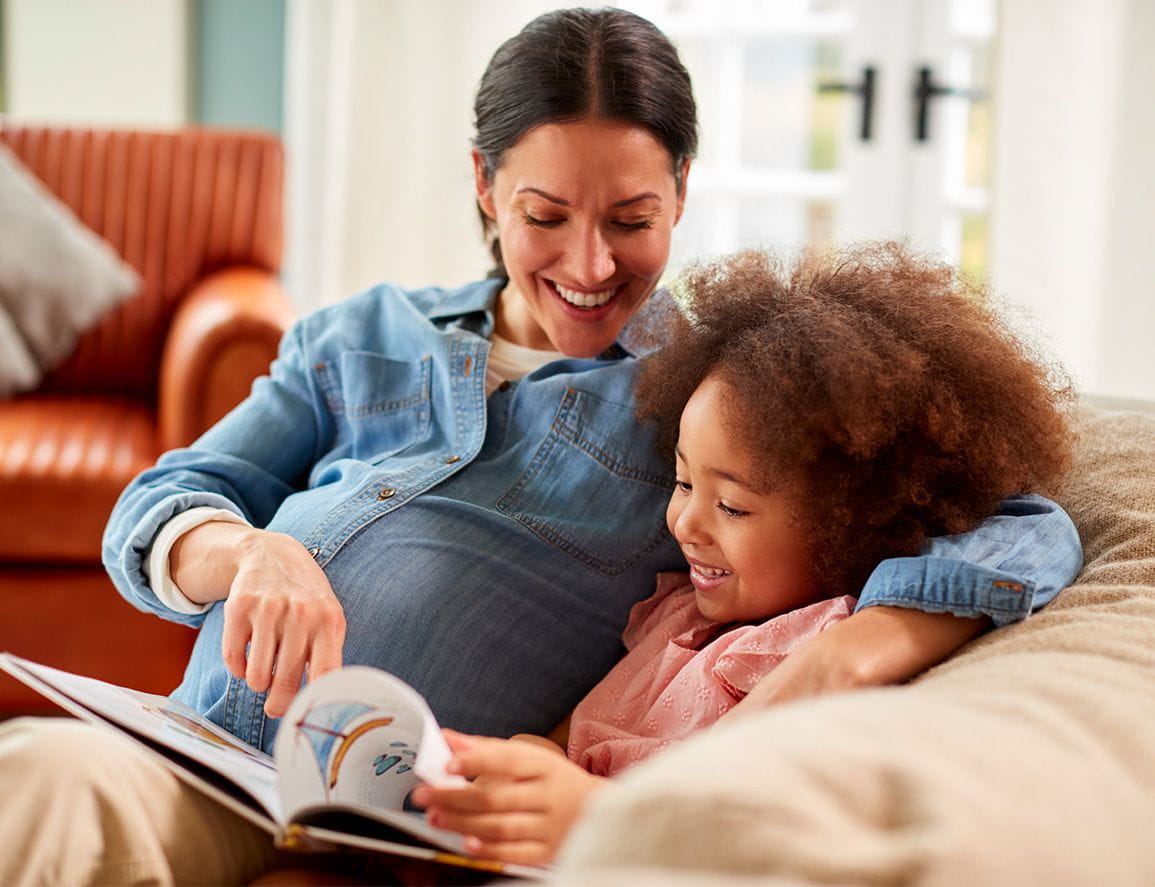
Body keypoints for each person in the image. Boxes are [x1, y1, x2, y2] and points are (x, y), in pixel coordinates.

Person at [0, 9, 1079, 886]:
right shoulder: (363, 335)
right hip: (197, 756)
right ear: (484, 184)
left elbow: (1019, 520)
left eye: (632, 219)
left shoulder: (712, 400)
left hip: (395, 827)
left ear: (683, 190)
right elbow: (163, 500)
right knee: (36, 779)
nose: (590, 264)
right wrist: (250, 553)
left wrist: (853, 651)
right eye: (546, 214)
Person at [413, 242, 1076, 865]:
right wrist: (529, 767)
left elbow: (1034, 528)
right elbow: (563, 742)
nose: (686, 522)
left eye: (731, 506)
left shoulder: (822, 636)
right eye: (682, 482)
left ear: (857, 519)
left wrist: (603, 814)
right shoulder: (672, 615)